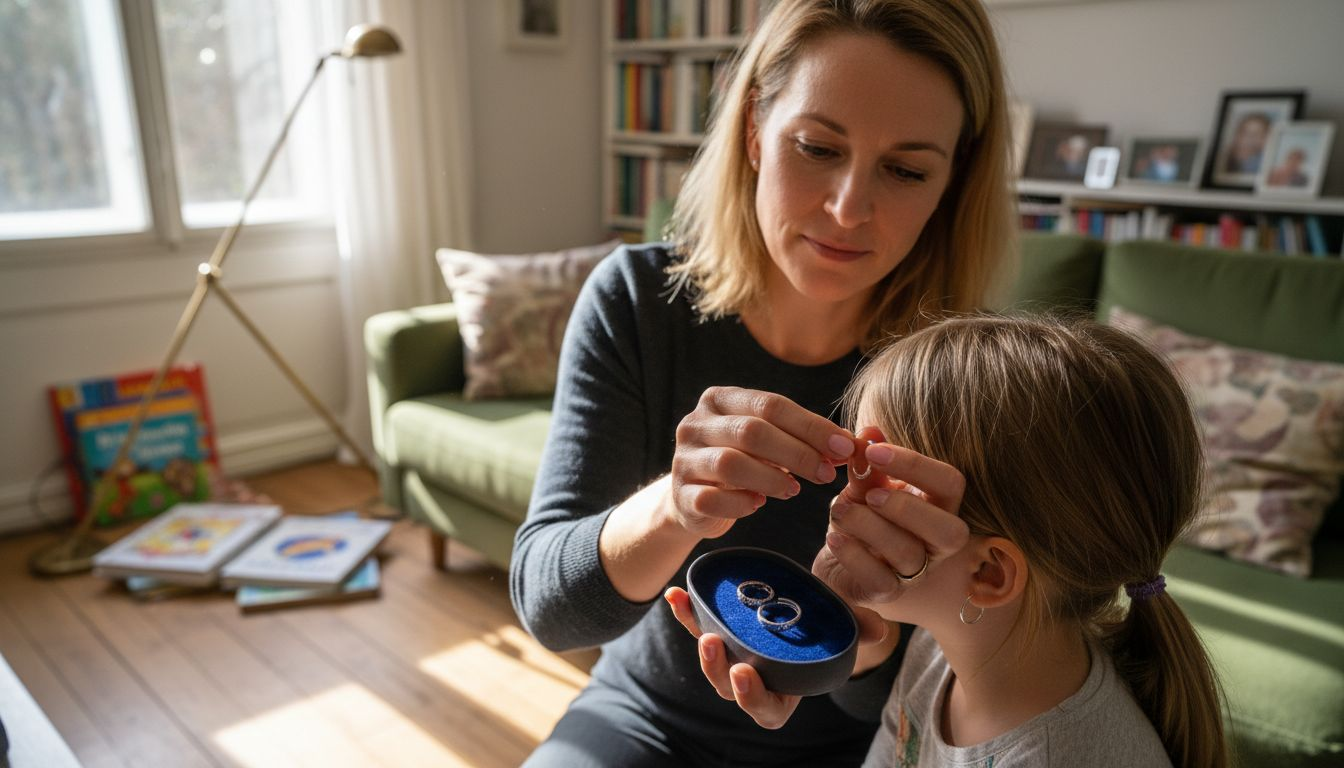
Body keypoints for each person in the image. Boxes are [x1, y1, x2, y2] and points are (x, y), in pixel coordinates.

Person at [510, 0, 1016, 764]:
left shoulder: (966, 380)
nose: (849, 208)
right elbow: (550, 609)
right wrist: (677, 505)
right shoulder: (638, 303)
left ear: (953, 182)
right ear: (754, 132)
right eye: (816, 147)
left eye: (906, 170)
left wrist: (863, 641)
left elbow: (933, 686)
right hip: (642, 718)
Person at [815, 315, 1228, 767]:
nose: (846, 498)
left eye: (884, 482)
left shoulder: (1058, 756)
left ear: (989, 573)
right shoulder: (937, 653)